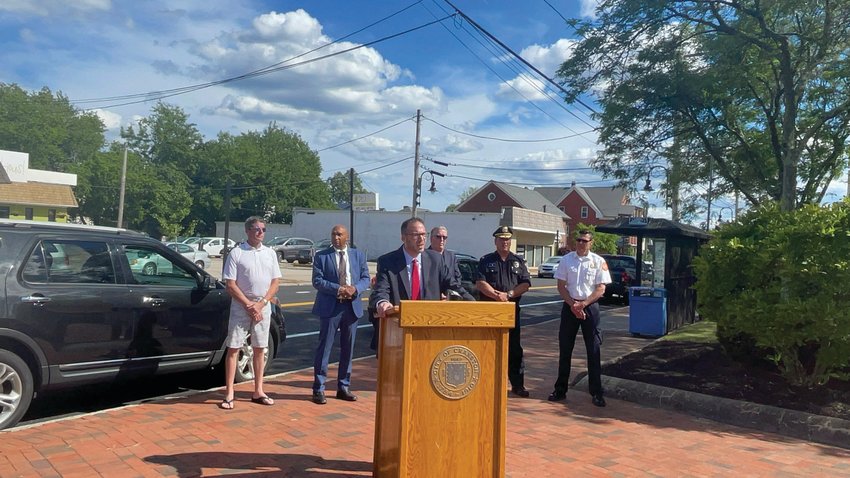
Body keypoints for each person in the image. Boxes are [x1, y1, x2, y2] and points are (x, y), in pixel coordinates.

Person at [220, 216, 281, 409]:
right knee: (234, 348)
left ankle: (258, 390)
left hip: (263, 307)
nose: (260, 232)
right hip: (241, 306)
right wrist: (248, 304)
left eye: (263, 229)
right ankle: (229, 393)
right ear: (247, 231)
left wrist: (261, 303)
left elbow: (275, 283)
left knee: (259, 348)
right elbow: (230, 284)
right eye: (256, 229)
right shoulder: (237, 253)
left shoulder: (270, 253)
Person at [548, 229, 611, 407]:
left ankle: (596, 392)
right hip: (570, 306)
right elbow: (561, 286)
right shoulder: (566, 260)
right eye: (579, 240)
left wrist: (582, 305)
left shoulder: (599, 261)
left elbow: (601, 289)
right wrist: (573, 305)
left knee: (593, 350)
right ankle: (560, 390)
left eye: (585, 241)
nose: (581, 244)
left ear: (591, 243)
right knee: (565, 349)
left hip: (590, 307)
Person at [310, 225, 370, 405]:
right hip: (330, 308)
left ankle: (343, 387)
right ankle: (319, 388)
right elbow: (317, 281)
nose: (336, 237)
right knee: (324, 348)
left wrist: (355, 289)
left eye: (339, 234)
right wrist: (339, 289)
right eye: (333, 234)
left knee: (347, 349)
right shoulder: (322, 256)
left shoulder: (358, 255)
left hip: (351, 308)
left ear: (347, 237)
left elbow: (365, 278)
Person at [370, 217, 472, 319]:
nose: (421, 239)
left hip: (429, 323)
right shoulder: (387, 262)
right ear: (403, 237)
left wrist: (475, 304)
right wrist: (383, 302)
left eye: (424, 234)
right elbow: (381, 290)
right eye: (416, 235)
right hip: (398, 324)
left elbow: (453, 286)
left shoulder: (435, 260)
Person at [476, 226, 532, 397]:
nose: (505, 242)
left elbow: (525, 284)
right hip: (490, 311)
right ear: (496, 241)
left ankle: (517, 385)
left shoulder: (518, 261)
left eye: (507, 239)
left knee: (514, 349)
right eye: (501, 239)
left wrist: (509, 295)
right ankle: (487, 382)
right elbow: (480, 282)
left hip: (511, 310)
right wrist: (496, 296)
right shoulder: (486, 260)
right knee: (489, 347)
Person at [427, 225, 474, 301]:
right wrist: (437, 294)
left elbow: (457, 277)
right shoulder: (425, 256)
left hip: (450, 299)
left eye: (444, 237)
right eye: (438, 237)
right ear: (431, 238)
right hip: (431, 299)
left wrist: (450, 293)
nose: (441, 240)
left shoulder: (451, 256)